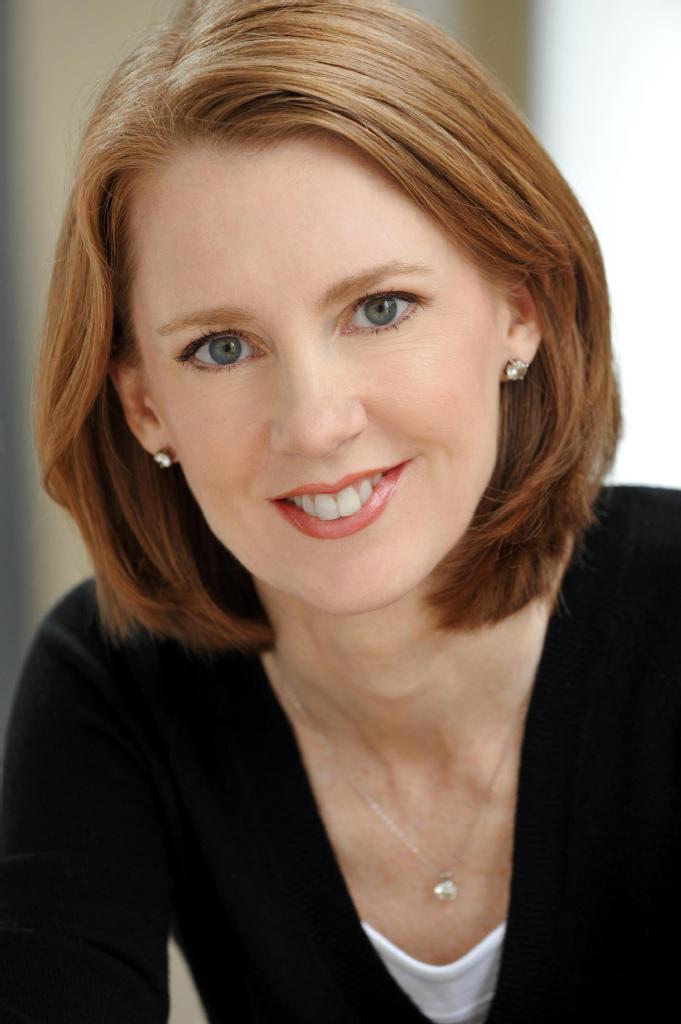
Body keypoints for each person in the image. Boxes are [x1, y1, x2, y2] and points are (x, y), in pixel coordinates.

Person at [1, 0, 679, 1021]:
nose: (315, 423)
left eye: (380, 308)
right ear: (146, 406)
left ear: (521, 308)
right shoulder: (114, 677)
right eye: (221, 348)